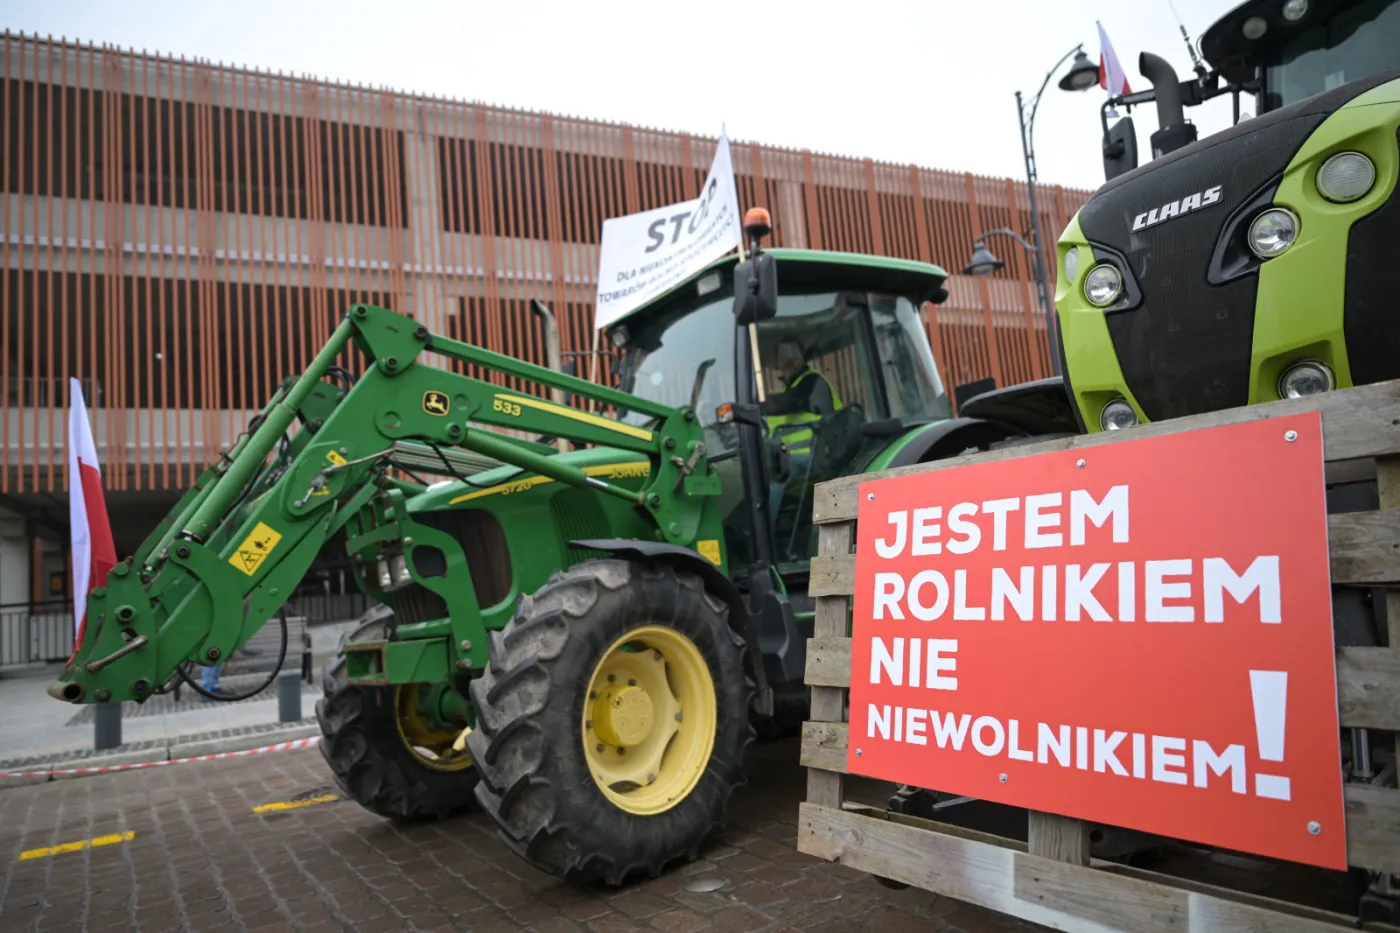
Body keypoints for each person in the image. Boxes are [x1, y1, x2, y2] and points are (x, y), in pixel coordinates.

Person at [762, 338, 841, 531]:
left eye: (792, 353)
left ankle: (762, 533)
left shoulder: (813, 383)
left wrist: (746, 409)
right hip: (792, 458)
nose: (788, 359)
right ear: (777, 363)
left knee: (774, 473)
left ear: (802, 358)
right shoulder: (787, 390)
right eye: (783, 355)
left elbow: (788, 402)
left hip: (817, 457)